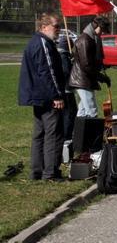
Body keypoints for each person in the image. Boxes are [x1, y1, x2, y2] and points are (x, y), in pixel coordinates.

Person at [18, 13, 66, 181]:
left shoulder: (36, 41)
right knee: (53, 134)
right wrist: (56, 96)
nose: (59, 30)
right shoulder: (43, 43)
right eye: (56, 26)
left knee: (39, 134)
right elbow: (48, 72)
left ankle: (36, 171)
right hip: (47, 97)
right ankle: (50, 172)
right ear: (44, 27)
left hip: (38, 95)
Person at [69, 16, 111, 117]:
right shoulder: (85, 40)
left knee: (82, 111)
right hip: (82, 79)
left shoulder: (91, 38)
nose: (103, 33)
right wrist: (100, 77)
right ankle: (92, 128)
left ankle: (78, 128)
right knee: (92, 111)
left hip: (85, 79)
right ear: (96, 26)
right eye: (102, 30)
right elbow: (86, 65)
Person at [56, 35, 77, 140]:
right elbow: (65, 71)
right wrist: (72, 65)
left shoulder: (60, 55)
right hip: (66, 89)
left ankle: (66, 134)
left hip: (64, 89)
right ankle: (67, 136)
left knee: (68, 113)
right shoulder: (63, 56)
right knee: (70, 113)